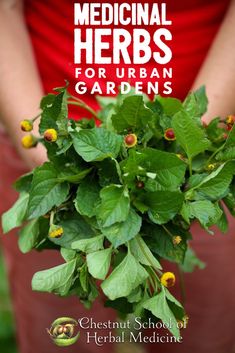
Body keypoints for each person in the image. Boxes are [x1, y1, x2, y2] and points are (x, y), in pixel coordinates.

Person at [0, 1, 235, 353]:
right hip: (45, 144)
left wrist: (193, 143)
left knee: (202, 332)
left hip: (205, 154)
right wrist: (45, 152)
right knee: (61, 336)